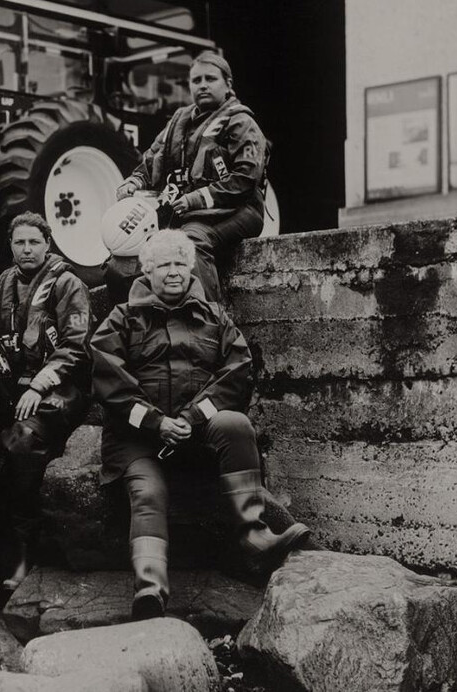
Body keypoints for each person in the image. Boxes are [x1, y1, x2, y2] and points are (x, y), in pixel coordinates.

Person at [90, 230, 309, 620]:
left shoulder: (215, 317)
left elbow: (237, 374)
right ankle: (150, 588)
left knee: (235, 424)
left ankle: (255, 537)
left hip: (195, 432)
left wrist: (192, 418)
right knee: (148, 492)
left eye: (180, 263)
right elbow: (110, 384)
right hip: (137, 440)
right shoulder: (122, 319)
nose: (174, 272)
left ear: (190, 268)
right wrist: (156, 422)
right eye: (164, 265)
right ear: (147, 271)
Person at [0, 212, 92, 591]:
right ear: (11, 246)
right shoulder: (3, 282)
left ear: (47, 243)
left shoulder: (67, 283)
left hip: (63, 388)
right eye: (19, 242)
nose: (26, 249)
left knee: (22, 442)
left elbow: (76, 346)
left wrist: (39, 385)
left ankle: (27, 553)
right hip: (15, 385)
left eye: (34, 242)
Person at [113, 51, 269, 302]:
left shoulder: (241, 122)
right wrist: (134, 182)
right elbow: (152, 160)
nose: (203, 85)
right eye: (196, 80)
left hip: (237, 209)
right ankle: (137, 321)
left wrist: (195, 199)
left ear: (228, 84)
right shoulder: (179, 121)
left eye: (210, 79)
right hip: (183, 211)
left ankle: (209, 318)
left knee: (189, 243)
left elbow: (245, 179)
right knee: (124, 255)